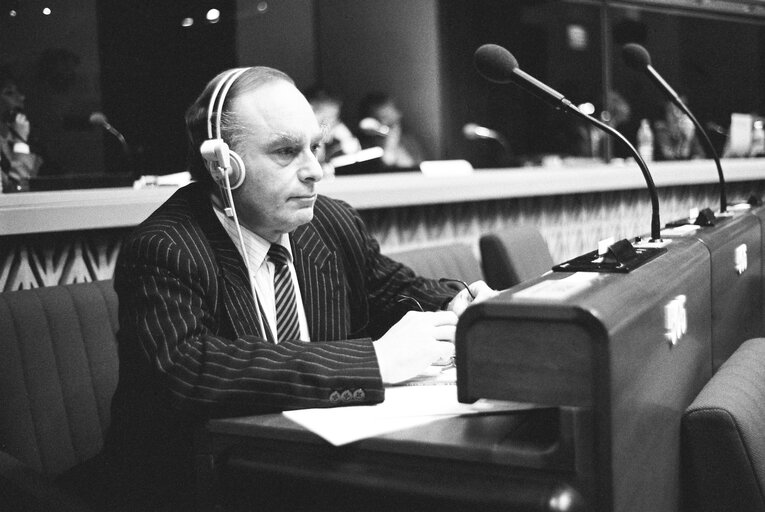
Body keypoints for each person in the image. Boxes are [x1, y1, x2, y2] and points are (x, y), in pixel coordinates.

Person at [95, 66, 496, 510]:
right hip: (197, 488)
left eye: (315, 147)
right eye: (286, 151)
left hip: (315, 472)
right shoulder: (164, 248)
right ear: (223, 166)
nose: (314, 171)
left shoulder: (331, 221)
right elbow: (189, 371)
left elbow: (395, 290)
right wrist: (375, 361)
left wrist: (463, 306)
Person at [0, 66, 43, 191]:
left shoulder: (19, 134)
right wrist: (20, 143)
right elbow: (16, 190)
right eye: (9, 93)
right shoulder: (19, 136)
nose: (21, 97)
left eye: (18, 91)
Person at [357, 91, 426, 168]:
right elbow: (388, 161)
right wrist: (391, 141)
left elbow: (414, 168)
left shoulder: (409, 142)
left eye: (392, 114)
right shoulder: (366, 147)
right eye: (383, 117)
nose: (388, 122)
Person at [305, 86, 361, 168]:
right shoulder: (303, 129)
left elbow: (347, 138)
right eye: (325, 117)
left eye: (334, 116)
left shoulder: (333, 124)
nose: (330, 121)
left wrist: (349, 142)